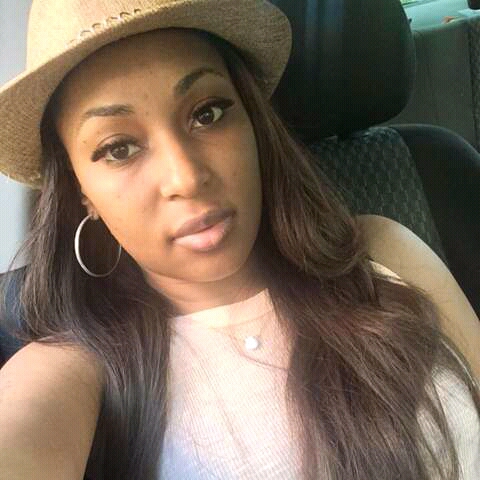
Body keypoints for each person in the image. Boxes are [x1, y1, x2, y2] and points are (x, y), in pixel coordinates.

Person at [0, 0, 478, 479]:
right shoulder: (75, 368)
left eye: (207, 113)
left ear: (251, 121)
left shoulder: (384, 251)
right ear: (81, 191)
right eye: (118, 148)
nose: (187, 177)